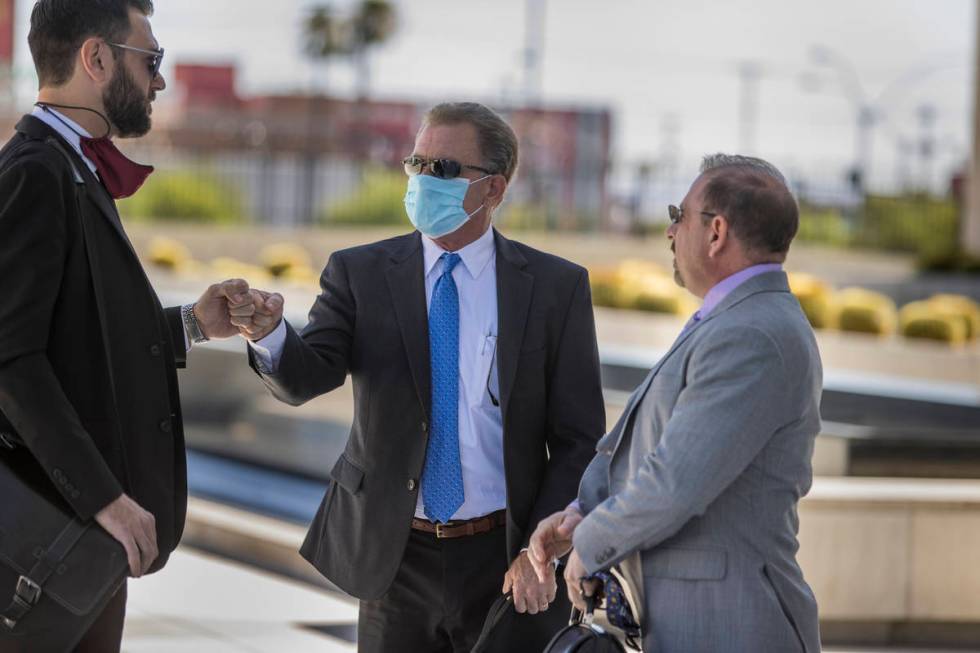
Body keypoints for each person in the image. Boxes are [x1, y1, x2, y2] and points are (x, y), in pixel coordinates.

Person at [236, 102, 605, 652]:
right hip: (395, 557)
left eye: (447, 169)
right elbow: (306, 376)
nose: (425, 180)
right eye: (418, 162)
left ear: (494, 189)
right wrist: (269, 334)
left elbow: (578, 440)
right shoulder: (359, 273)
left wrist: (541, 550)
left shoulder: (555, 289)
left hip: (506, 559)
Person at [0, 2, 258, 650]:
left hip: (80, 549)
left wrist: (191, 326)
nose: (159, 81)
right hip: (49, 544)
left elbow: (78, 342)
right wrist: (104, 499)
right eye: (151, 61)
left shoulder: (69, 166)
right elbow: (12, 360)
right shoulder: (36, 171)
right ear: (96, 59)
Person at [530, 154, 823, 653]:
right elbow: (648, 445)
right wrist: (582, 513)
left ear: (716, 232)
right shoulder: (732, 321)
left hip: (731, 628)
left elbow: (674, 483)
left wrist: (592, 541)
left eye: (678, 214)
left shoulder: (751, 334)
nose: (669, 231)